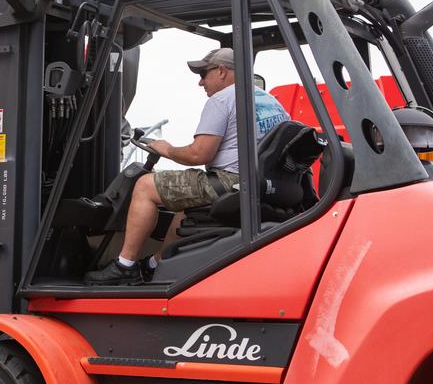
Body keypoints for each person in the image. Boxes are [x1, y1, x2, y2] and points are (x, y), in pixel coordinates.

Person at [85, 48, 289, 285]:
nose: (201, 82)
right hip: (261, 184)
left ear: (222, 71)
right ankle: (155, 265)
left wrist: (166, 149)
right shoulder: (271, 102)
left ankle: (124, 265)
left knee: (145, 186)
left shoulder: (223, 99)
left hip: (230, 182)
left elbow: (198, 154)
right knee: (184, 203)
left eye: (203, 74)